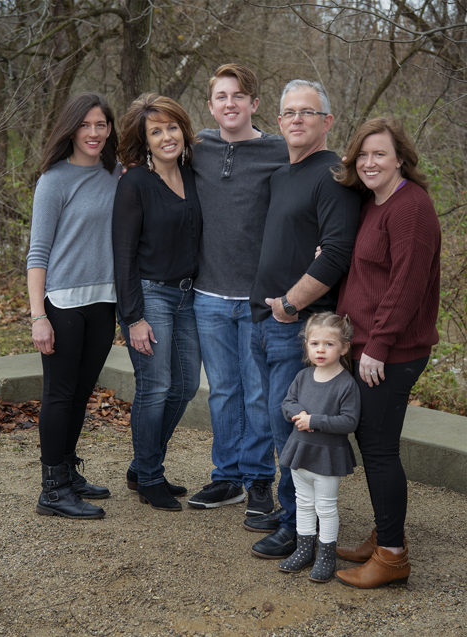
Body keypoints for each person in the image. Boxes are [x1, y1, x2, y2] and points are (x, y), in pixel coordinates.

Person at [247, 80, 361, 557]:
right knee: (278, 425)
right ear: (277, 122)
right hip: (264, 321)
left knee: (292, 428)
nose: (297, 119)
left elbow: (334, 253)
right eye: (289, 112)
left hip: (298, 326)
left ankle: (299, 529)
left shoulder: (333, 176)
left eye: (308, 112)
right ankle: (295, 513)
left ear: (327, 121)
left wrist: (290, 305)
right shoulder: (279, 175)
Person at [333, 117, 441, 588]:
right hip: (369, 345)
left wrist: (377, 344)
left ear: (401, 158)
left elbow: (407, 284)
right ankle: (385, 535)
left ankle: (393, 557)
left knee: (379, 450)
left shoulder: (410, 207)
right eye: (363, 154)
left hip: (393, 351)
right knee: (373, 444)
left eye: (380, 153)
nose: (370, 162)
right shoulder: (374, 203)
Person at [187, 64, 289, 514]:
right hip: (207, 295)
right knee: (224, 391)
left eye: (239, 96)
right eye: (222, 97)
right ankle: (226, 476)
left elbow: (324, 185)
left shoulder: (280, 151)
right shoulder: (198, 148)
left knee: (257, 393)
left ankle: (259, 479)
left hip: (258, 299)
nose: (231, 104)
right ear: (210, 106)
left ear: (255, 104)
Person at [27, 93, 122, 519]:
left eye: (101, 124)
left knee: (81, 393)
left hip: (103, 302)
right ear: (71, 128)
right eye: (86, 125)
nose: (94, 132)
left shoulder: (117, 174)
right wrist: (38, 316)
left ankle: (67, 470)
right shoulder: (54, 180)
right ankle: (52, 489)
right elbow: (38, 253)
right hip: (62, 304)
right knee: (60, 395)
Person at [112, 94, 202, 512]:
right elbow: (123, 254)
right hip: (149, 296)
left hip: (188, 295)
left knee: (184, 386)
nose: (167, 136)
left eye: (172, 127)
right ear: (144, 141)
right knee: (156, 386)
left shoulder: (193, 173)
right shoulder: (134, 184)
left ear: (183, 129)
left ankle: (142, 464)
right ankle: (149, 476)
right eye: (156, 131)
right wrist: (133, 317)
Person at [276, 312, 360, 583]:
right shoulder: (302, 376)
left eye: (329, 344)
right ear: (307, 345)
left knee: (325, 507)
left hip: (327, 456)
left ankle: (326, 556)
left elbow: (349, 421)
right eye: (314, 344)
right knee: (303, 503)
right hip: (300, 450)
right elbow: (287, 403)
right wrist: (297, 413)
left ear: (344, 347)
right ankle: (304, 550)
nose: (320, 350)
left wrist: (316, 420)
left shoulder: (346, 383)